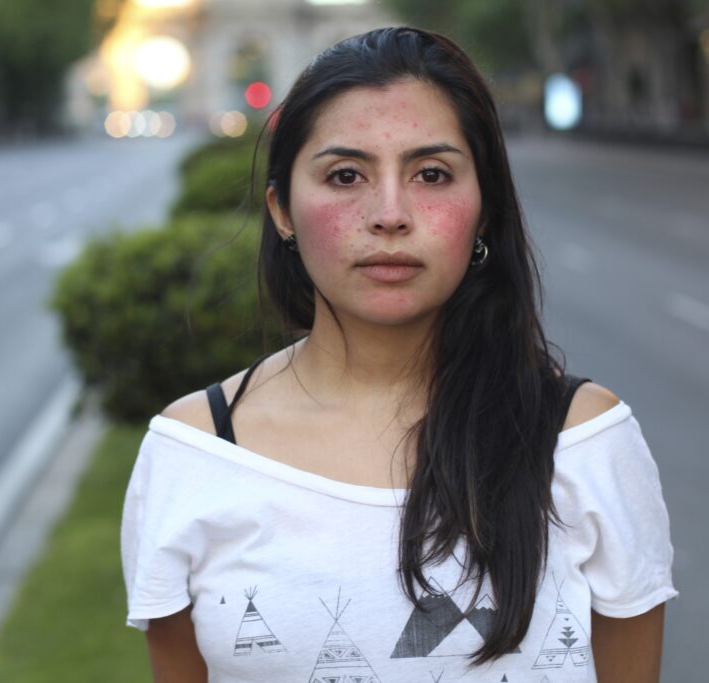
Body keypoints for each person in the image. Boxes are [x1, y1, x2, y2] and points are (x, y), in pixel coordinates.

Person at [121, 26, 676, 683]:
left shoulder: (585, 440)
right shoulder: (195, 451)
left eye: (431, 174)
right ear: (282, 210)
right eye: (345, 175)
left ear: (484, 210)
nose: (390, 213)